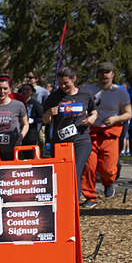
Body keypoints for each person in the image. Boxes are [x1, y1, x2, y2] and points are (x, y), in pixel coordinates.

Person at [78, 62, 131, 206]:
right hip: (90, 132)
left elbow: (128, 114)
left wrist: (115, 119)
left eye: (107, 72)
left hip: (110, 133)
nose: (104, 75)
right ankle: (90, 197)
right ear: (97, 74)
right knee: (88, 166)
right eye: (101, 72)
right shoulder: (88, 90)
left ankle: (108, 182)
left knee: (108, 169)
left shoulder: (120, 91)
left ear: (112, 74)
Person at [42, 66, 98, 197]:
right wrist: (50, 113)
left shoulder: (85, 94)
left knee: (74, 171)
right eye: (60, 83)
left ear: (74, 79)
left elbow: (94, 111)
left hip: (81, 140)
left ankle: (74, 202)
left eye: (66, 83)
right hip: (60, 142)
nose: (63, 86)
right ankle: (63, 200)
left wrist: (93, 117)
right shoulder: (54, 97)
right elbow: (45, 120)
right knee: (61, 174)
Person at [18, 82, 45, 151]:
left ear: (32, 92)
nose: (25, 92)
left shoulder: (36, 104)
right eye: (23, 90)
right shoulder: (17, 103)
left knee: (29, 151)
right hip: (18, 130)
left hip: (31, 132)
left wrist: (33, 120)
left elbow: (42, 118)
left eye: (27, 90)